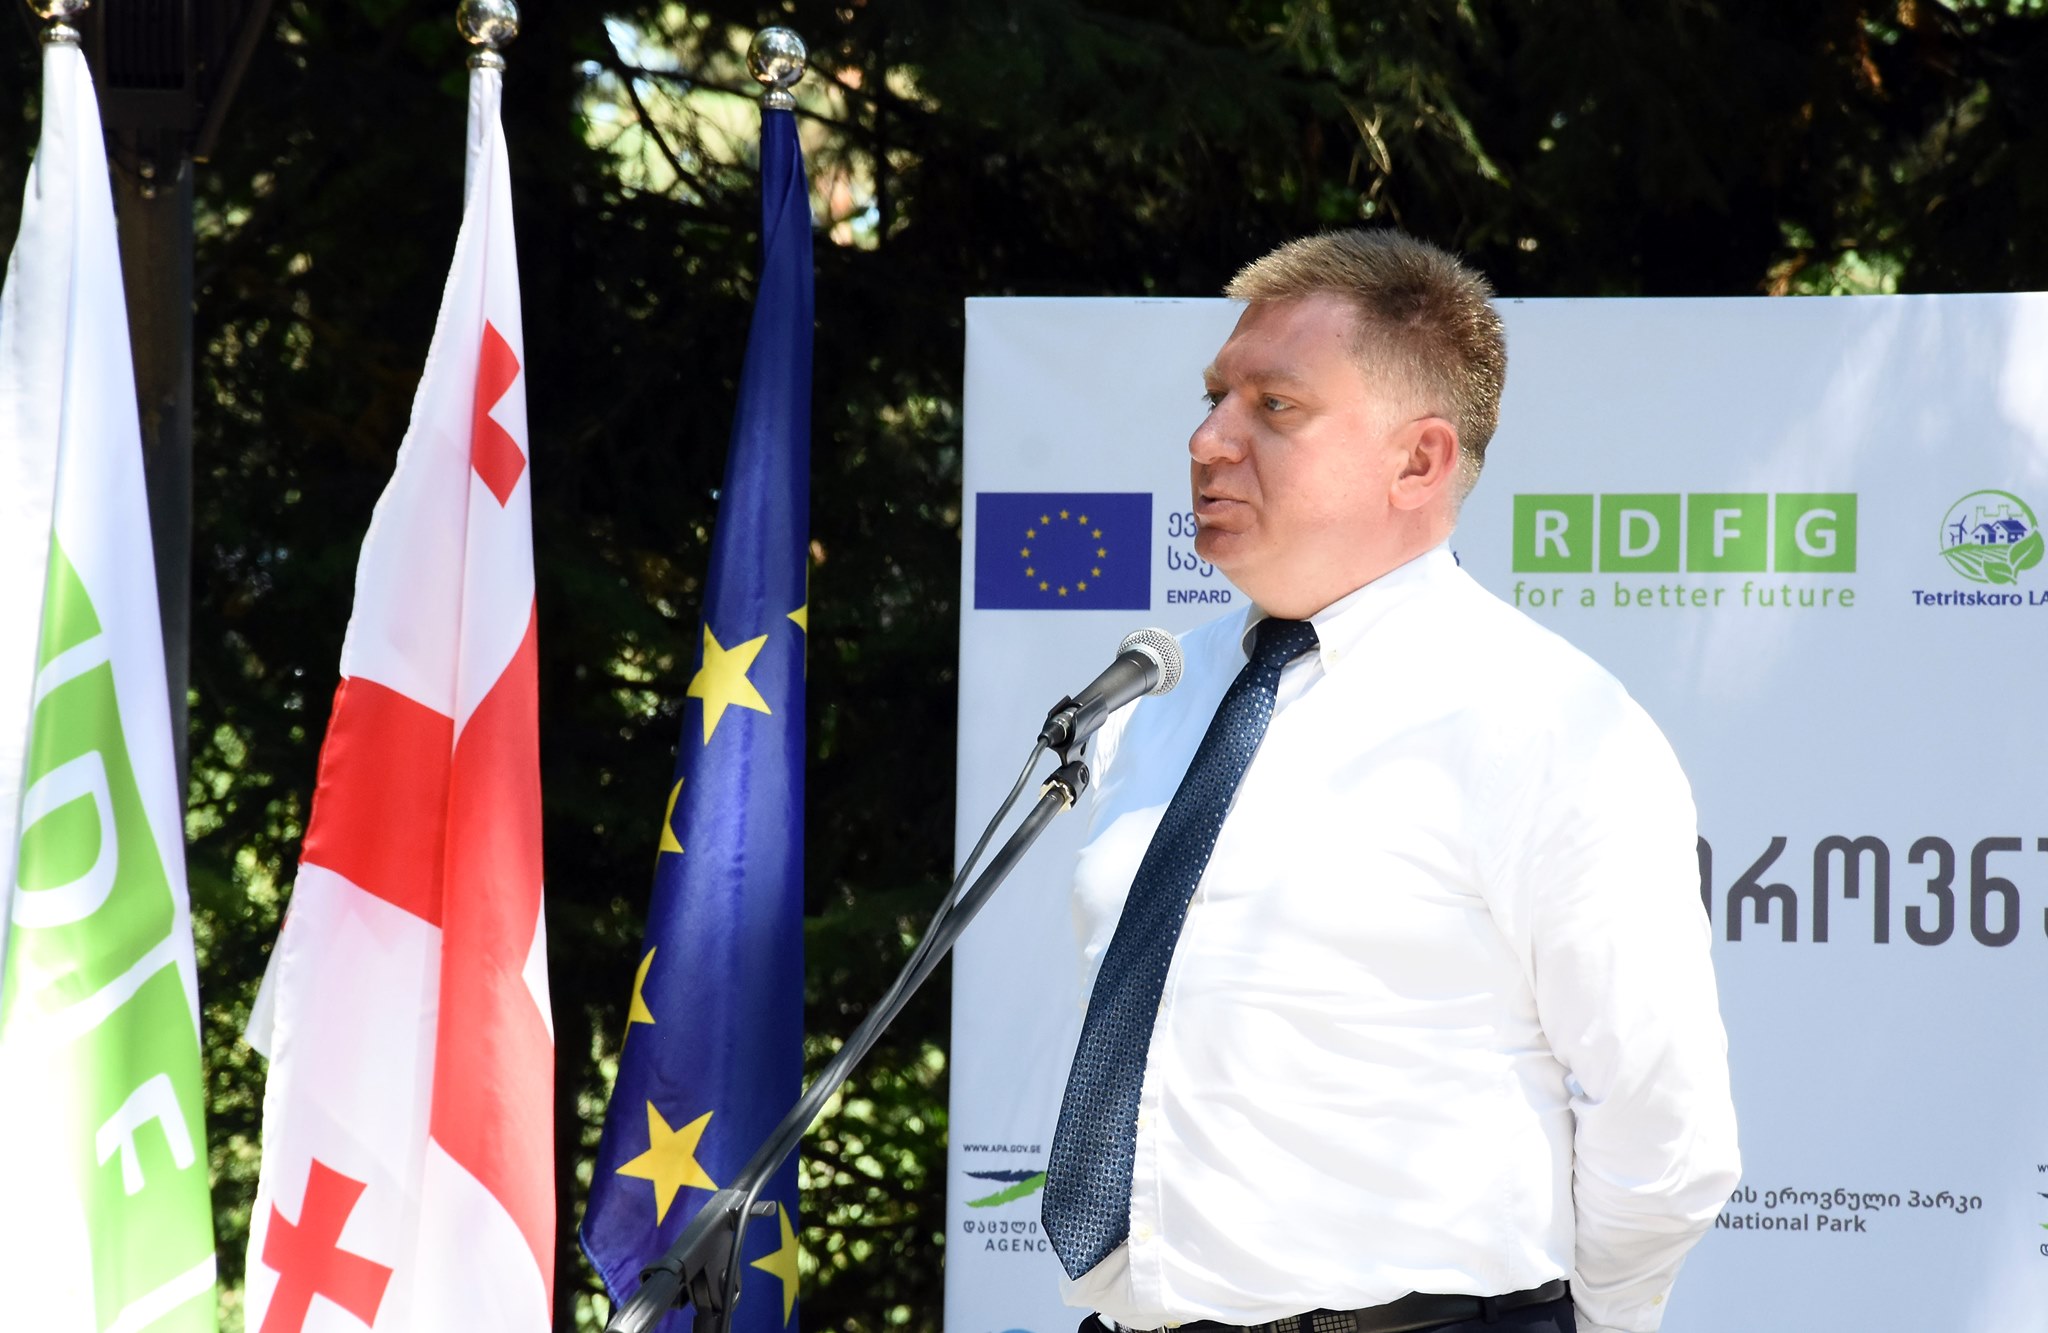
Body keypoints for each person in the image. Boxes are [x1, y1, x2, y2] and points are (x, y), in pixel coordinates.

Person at [1039, 230, 1739, 1333]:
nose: (1208, 439)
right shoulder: (1160, 694)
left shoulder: (1542, 721)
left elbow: (1663, 1131)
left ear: (1419, 462)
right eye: (1215, 397)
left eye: (1275, 406)